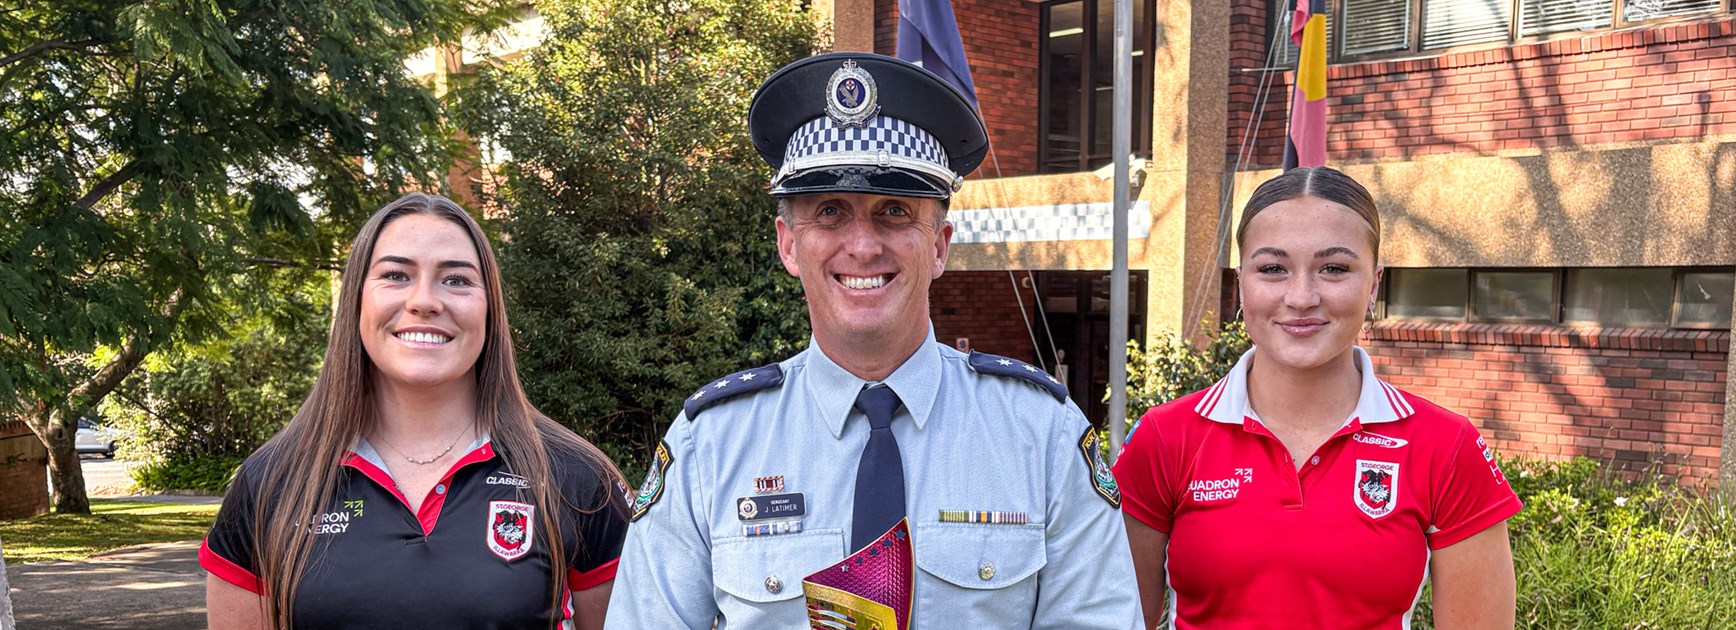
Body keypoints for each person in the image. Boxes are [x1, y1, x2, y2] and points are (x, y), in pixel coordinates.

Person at [604, 52, 1142, 628]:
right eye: (830, 212)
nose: (863, 246)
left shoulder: (1041, 435)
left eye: (894, 211)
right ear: (788, 244)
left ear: (939, 246)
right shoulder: (711, 443)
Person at [1113, 166, 1523, 629]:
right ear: (1241, 282)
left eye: (1334, 268)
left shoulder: (1445, 445)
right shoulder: (1164, 438)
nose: (1301, 297)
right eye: (1272, 269)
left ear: (1374, 284)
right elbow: (1115, 617)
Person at [202, 193, 628, 629]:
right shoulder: (272, 480)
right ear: (357, 300)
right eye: (396, 275)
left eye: (457, 280)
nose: (424, 301)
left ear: (490, 308)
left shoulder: (579, 478)